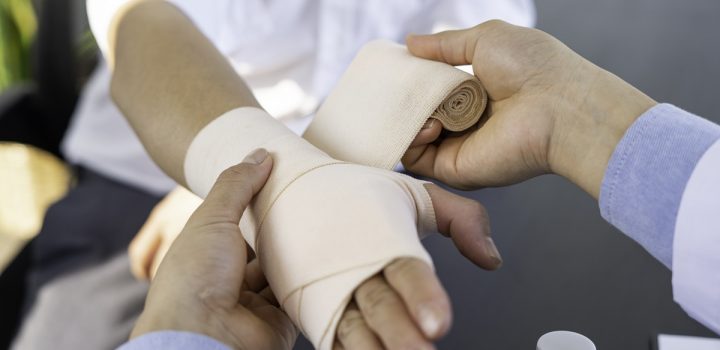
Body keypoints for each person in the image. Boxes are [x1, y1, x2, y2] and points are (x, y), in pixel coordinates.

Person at [118, 19, 718, 349]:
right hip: (158, 169)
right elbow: (134, 22)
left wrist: (574, 111)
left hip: (420, 156)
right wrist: (270, 178)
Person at [11, 1, 535, 349]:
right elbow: (143, 26)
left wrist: (299, 182)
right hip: (156, 172)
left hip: (368, 171)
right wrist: (243, 173)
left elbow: (471, 46)